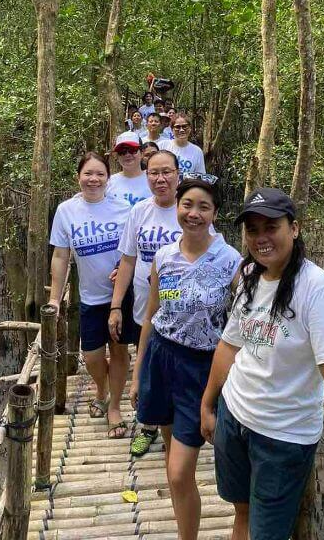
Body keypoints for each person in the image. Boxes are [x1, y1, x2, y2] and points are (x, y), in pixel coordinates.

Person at [200, 188, 324, 540]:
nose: (261, 238)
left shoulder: (316, 289)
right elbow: (229, 347)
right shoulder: (250, 275)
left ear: (294, 228)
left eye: (271, 227)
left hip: (283, 436)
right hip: (235, 415)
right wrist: (208, 403)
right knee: (241, 511)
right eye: (252, 230)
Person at [130, 179, 241, 540]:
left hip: (202, 368)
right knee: (170, 458)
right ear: (177, 206)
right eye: (187, 204)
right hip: (161, 358)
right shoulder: (164, 256)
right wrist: (137, 373)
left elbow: (241, 324)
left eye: (203, 207)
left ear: (214, 214)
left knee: (179, 471)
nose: (193, 213)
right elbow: (151, 316)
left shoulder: (231, 262)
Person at [48, 152, 138, 438]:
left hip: (120, 296)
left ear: (108, 179)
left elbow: (132, 251)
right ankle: (101, 389)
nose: (94, 179)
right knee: (92, 357)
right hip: (89, 297)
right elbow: (61, 256)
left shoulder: (124, 209)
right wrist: (55, 297)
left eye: (100, 174)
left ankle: (113, 407)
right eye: (88, 173)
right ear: (79, 177)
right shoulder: (66, 211)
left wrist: (122, 270)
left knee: (120, 350)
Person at [109, 150, 182, 456]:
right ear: (146, 175)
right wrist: (115, 306)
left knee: (178, 366)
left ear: (178, 174)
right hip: (144, 307)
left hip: (181, 309)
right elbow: (127, 260)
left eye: (166, 172)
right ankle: (148, 424)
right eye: (153, 173)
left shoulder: (189, 209)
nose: (160, 179)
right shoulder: (139, 211)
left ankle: (179, 428)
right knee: (148, 364)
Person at [105, 133, 152, 207]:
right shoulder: (109, 182)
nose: (127, 154)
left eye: (132, 150)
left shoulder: (153, 179)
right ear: (117, 156)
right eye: (122, 151)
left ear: (142, 153)